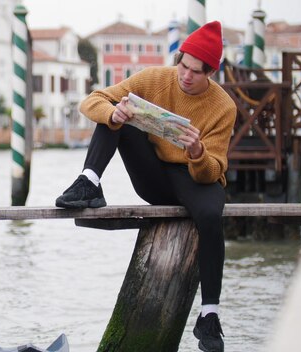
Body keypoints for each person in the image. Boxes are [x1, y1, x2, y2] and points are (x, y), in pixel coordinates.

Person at [55, 21, 236, 352]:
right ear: (178, 60)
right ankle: (89, 183)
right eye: (183, 66)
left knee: (211, 216)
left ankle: (209, 314)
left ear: (209, 72)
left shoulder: (223, 106)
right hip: (154, 176)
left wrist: (197, 152)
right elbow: (91, 101)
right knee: (114, 114)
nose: (186, 76)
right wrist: (115, 113)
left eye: (196, 72)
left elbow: (213, 171)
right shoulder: (155, 78)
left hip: (196, 176)